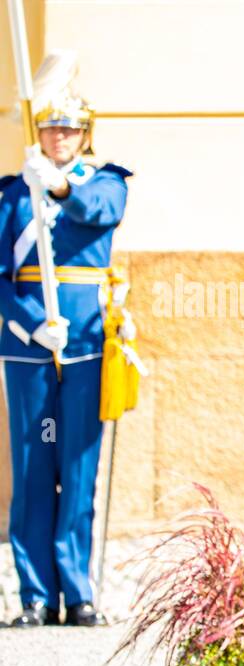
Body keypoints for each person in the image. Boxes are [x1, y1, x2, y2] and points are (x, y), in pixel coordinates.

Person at [0, 53, 130, 628]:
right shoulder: (10, 195)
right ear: (40, 133)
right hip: (29, 343)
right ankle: (33, 593)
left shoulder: (104, 182)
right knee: (33, 465)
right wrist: (30, 320)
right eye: (51, 127)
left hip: (86, 342)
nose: (59, 136)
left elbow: (101, 214)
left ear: (84, 134)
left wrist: (55, 187)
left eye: (69, 128)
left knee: (78, 466)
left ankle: (77, 592)